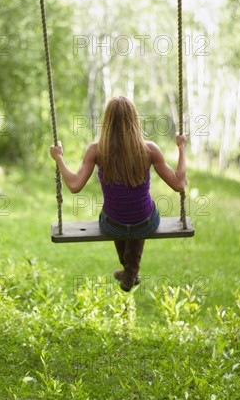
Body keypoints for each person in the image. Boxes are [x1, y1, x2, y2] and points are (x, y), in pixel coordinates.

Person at [50, 96, 188, 292]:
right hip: (145, 223)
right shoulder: (149, 149)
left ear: (107, 122)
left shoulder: (96, 150)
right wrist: (182, 147)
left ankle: (129, 271)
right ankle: (131, 272)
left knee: (118, 218)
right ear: (134, 120)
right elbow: (179, 184)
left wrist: (59, 158)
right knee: (139, 218)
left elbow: (74, 185)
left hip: (112, 225)